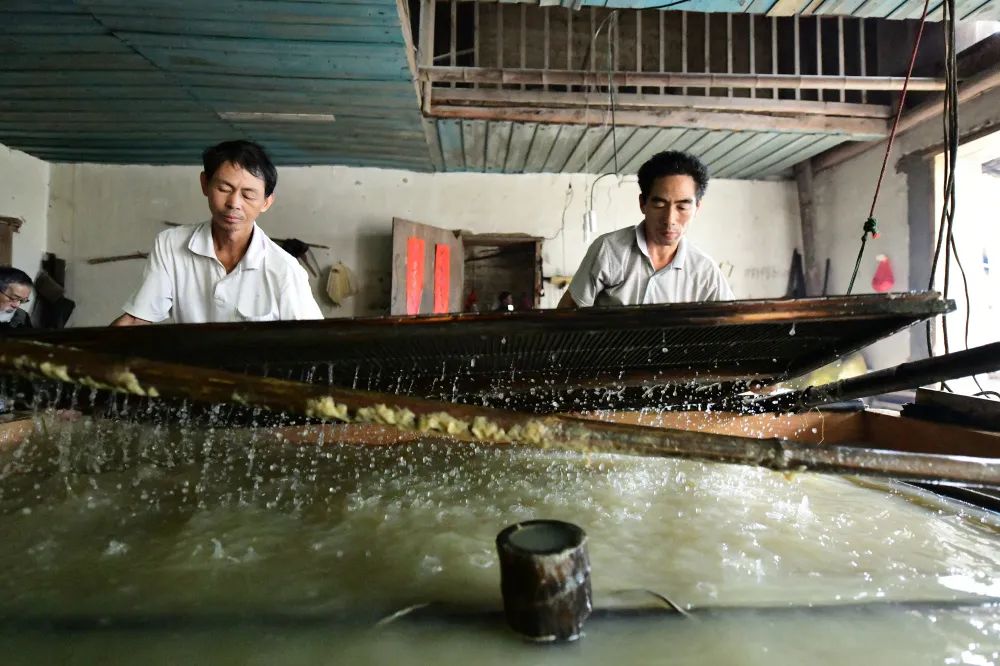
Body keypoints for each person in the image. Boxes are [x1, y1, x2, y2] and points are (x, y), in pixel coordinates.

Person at [112, 140, 322, 325]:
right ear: (205, 184)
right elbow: (137, 319)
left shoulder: (285, 270)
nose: (234, 203)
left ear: (266, 202)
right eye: (224, 189)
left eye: (248, 195)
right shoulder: (171, 244)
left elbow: (312, 340)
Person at [559, 150, 734, 308]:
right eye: (659, 204)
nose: (670, 219)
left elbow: (733, 325)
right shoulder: (609, 250)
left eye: (682, 207)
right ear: (643, 203)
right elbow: (567, 316)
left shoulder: (706, 272)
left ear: (697, 208)